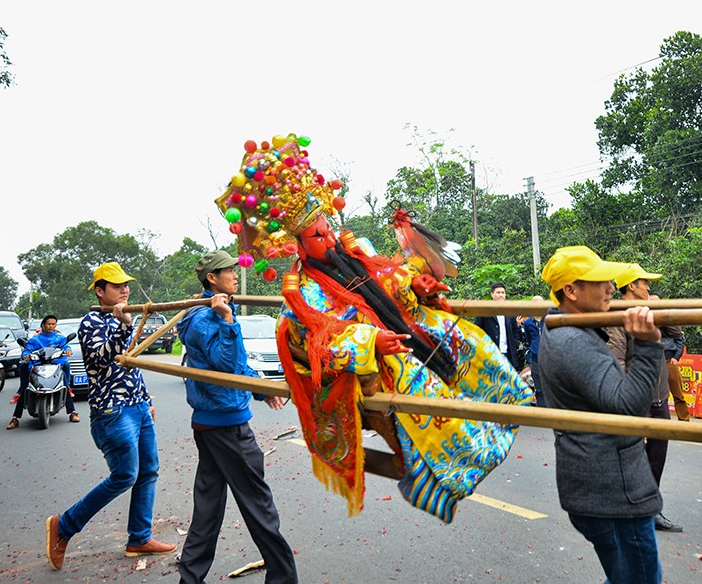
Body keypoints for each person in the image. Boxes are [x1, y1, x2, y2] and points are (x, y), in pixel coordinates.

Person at [215, 136, 532, 523]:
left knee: (461, 334)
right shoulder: (304, 291)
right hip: (377, 355)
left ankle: (510, 404)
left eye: (328, 228)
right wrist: (371, 341)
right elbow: (319, 337)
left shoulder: (355, 251)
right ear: (299, 244)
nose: (329, 238)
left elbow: (389, 280)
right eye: (318, 236)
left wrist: (416, 285)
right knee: (416, 382)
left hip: (400, 326)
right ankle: (454, 471)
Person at [539, 246, 664, 584]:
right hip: (612, 492)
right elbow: (628, 407)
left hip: (601, 485)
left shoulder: (565, 326)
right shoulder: (572, 341)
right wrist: (649, 345)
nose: (611, 288)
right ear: (571, 291)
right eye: (601, 282)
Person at [176, 250, 297, 584]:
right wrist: (228, 320)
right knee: (259, 505)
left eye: (233, 268)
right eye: (227, 270)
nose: (233, 274)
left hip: (211, 422)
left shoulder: (210, 311)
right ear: (211, 278)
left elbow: (239, 366)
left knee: (208, 508)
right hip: (226, 425)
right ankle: (284, 579)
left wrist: (260, 389)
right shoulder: (206, 317)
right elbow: (226, 366)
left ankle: (190, 579)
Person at [45, 262, 174, 571]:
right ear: (100, 291)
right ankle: (63, 526)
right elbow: (104, 360)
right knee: (125, 475)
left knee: (148, 471)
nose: (124, 290)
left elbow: (130, 364)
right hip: (112, 411)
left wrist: (145, 400)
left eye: (125, 285)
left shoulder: (125, 318)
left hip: (138, 406)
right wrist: (124, 326)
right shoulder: (90, 322)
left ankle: (139, 538)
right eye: (117, 286)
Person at [606, 264, 682, 534]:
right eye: (644, 283)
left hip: (660, 396)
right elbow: (618, 362)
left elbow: (677, 331)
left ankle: (650, 508)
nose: (649, 287)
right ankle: (631, 510)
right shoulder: (617, 316)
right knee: (635, 458)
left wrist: (654, 311)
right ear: (631, 286)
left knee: (657, 457)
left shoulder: (649, 312)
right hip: (639, 400)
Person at [7, 315, 78, 430]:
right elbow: (27, 349)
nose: (51, 326)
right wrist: (25, 354)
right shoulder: (35, 339)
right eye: (48, 324)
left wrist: (67, 350)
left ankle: (72, 412)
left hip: (55, 365)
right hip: (37, 365)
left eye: (53, 324)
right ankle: (15, 418)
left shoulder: (59, 338)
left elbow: (66, 345)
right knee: (26, 387)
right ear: (43, 325)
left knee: (64, 382)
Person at [648, 293, 691, 422]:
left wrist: (676, 357)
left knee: (678, 393)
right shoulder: (647, 320)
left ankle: (684, 420)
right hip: (654, 361)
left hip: (669, 359)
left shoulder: (667, 319)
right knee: (657, 395)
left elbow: (680, 338)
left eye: (657, 303)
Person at [476, 282, 523, 370]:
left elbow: (515, 330)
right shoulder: (484, 310)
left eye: (503, 293)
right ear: (492, 294)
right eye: (498, 293)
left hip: (508, 353)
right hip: (490, 353)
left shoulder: (510, 311)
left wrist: (514, 344)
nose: (501, 295)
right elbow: (477, 329)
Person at [519, 295, 544, 401]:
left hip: (551, 358)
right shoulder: (528, 323)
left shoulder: (550, 319)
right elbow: (529, 339)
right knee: (539, 389)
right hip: (536, 359)